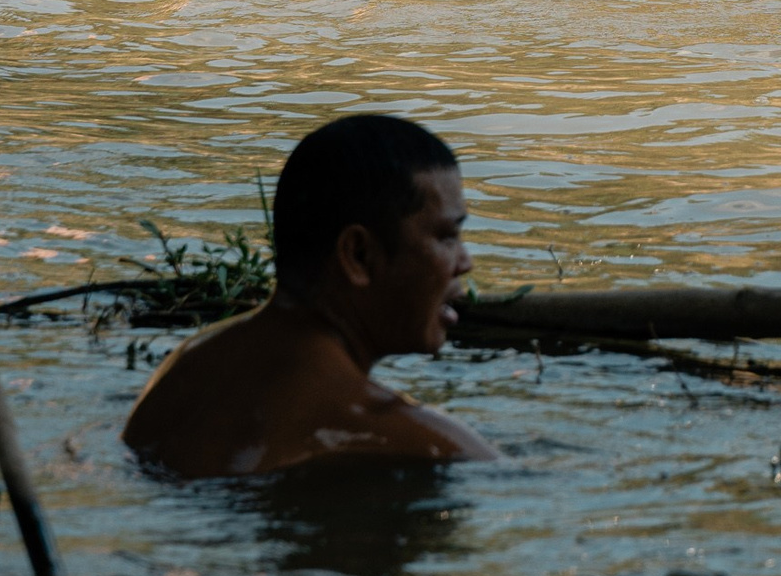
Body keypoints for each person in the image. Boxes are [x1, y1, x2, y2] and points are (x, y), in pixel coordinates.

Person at [123, 114, 501, 477]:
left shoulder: (187, 365)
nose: (465, 263)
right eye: (447, 237)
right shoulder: (406, 435)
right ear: (358, 256)